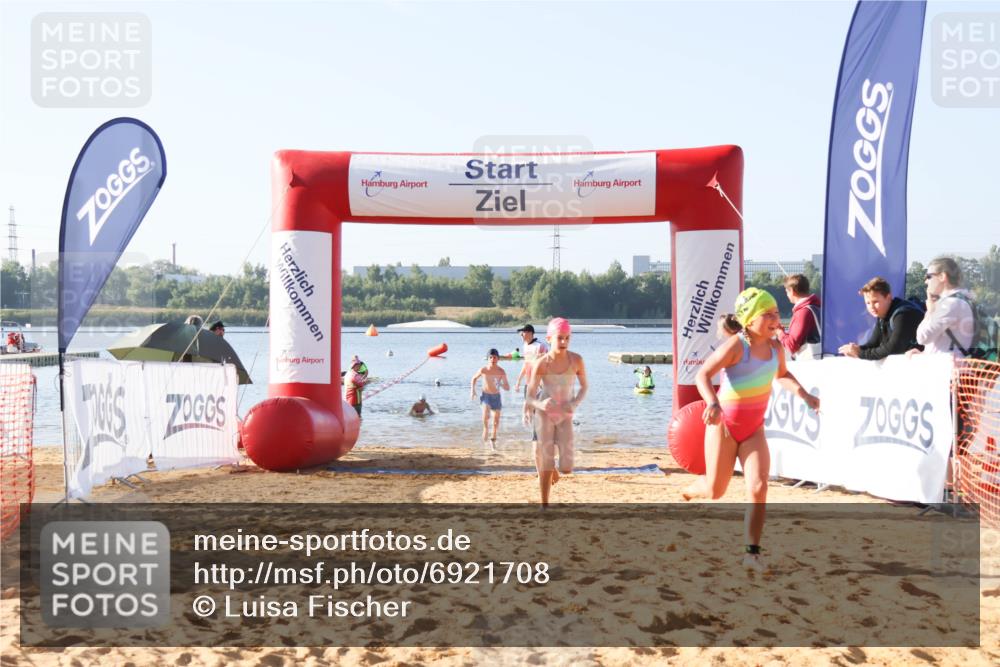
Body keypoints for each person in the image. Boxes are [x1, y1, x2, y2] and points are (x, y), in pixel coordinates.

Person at [682, 288, 820, 571]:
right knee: (715, 490)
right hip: (724, 427)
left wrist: (804, 395)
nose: (775, 318)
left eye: (775, 313)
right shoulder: (736, 346)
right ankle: (691, 490)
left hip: (753, 430)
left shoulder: (776, 349)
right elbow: (702, 374)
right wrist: (712, 402)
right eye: (766, 314)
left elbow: (782, 375)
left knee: (758, 487)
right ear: (749, 320)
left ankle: (751, 554)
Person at [524, 318, 588, 507]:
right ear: (549, 338)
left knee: (567, 467)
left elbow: (584, 387)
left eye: (567, 338)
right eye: (559, 338)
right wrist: (541, 404)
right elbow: (529, 395)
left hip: (565, 415)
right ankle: (545, 504)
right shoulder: (542, 363)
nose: (563, 342)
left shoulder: (576, 360)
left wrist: (575, 403)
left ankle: (554, 469)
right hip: (545, 415)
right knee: (545, 461)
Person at [837, 277, 923, 360]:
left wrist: (860, 353)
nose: (871, 307)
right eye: (868, 303)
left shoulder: (903, 315)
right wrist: (856, 349)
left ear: (888, 297)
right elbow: (874, 343)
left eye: (875, 302)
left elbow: (893, 348)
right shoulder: (882, 314)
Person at [909, 257, 975, 359]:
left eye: (929, 276)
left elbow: (922, 337)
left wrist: (930, 312)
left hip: (949, 371)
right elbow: (947, 342)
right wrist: (924, 354)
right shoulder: (962, 300)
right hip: (953, 366)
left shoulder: (949, 304)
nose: (926, 281)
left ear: (942, 276)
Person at [512, 324, 550, 444]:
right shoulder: (525, 346)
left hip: (539, 383)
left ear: (529, 333)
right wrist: (518, 381)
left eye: (522, 332)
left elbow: (547, 363)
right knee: (529, 410)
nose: (521, 335)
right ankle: (537, 436)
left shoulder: (540, 345)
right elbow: (526, 364)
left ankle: (539, 438)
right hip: (529, 382)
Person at [470, 348, 510, 447]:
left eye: (494, 357)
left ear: (498, 359)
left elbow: (507, 387)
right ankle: (485, 429)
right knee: (486, 416)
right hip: (486, 396)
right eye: (490, 357)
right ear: (488, 358)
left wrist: (500, 384)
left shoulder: (501, 371)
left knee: (496, 421)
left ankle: (494, 436)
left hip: (496, 397)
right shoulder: (483, 370)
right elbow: (473, 378)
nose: (492, 359)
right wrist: (472, 390)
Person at [777, 274, 821, 360]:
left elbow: (791, 345)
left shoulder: (803, 312)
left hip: (809, 365)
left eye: (787, 292)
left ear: (792, 291)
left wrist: (780, 333)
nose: (787, 295)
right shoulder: (816, 307)